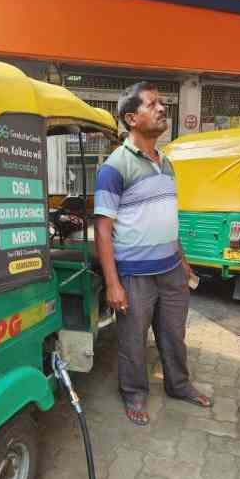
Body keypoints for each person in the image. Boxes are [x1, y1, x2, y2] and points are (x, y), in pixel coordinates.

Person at [94, 82, 212, 426]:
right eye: (152, 105)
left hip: (172, 269)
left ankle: (179, 385)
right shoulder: (114, 167)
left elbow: (166, 218)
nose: (162, 109)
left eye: (162, 103)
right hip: (135, 274)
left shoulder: (168, 164)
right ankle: (134, 394)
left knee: (174, 333)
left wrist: (184, 260)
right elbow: (103, 228)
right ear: (132, 118)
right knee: (133, 340)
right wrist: (113, 284)